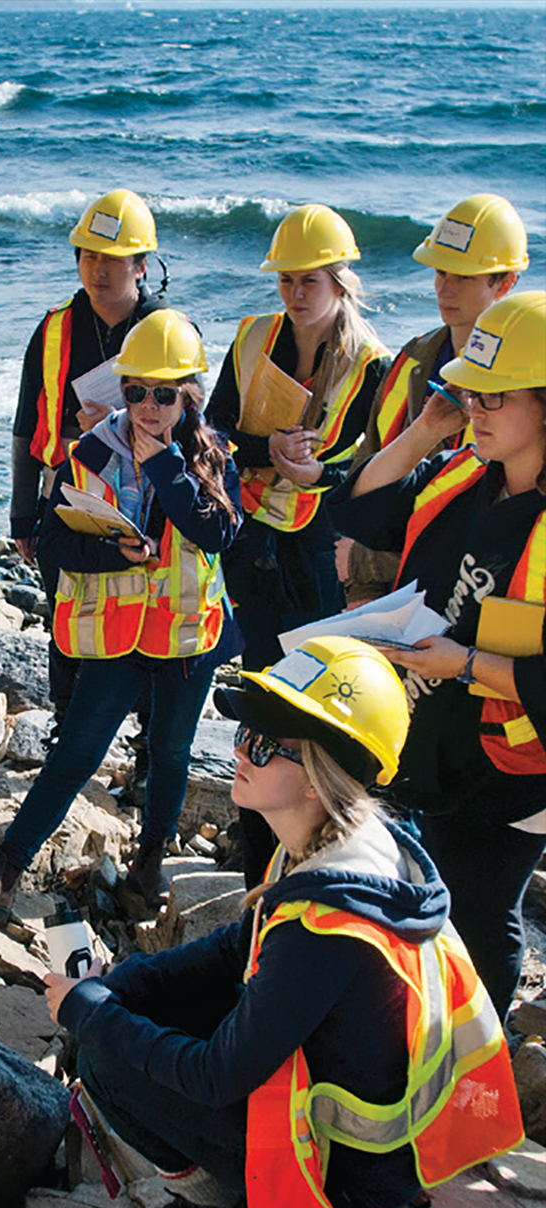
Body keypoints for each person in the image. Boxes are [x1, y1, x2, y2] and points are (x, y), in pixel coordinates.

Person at [45, 637, 521, 1208]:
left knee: (107, 1060)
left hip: (352, 1169)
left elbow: (215, 1076)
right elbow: (234, 949)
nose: (239, 752)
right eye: (244, 733)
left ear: (322, 778)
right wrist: (123, 986)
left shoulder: (328, 926)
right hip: (376, 1134)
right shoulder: (346, 845)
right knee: (133, 1014)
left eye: (266, 746)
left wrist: (91, 1017)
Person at [0, 311, 240, 919]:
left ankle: (151, 861)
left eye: (164, 395)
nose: (148, 407)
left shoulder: (211, 455)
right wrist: (111, 551)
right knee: (75, 752)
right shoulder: (91, 451)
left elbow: (217, 533)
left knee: (170, 751)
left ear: (190, 395)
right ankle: (5, 874)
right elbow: (52, 544)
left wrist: (163, 465)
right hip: (118, 635)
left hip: (185, 640)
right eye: (135, 393)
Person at [331, 291, 546, 1020]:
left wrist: (466, 664)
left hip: (515, 775)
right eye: (471, 391)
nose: (476, 408)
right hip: (433, 741)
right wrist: (427, 427)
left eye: (497, 396)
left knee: (484, 913)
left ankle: (476, 1059)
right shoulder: (462, 474)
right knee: (432, 897)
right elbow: (357, 508)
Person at [206, 204, 390, 886]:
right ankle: (258, 853)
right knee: (262, 691)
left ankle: (312, 847)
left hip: (316, 551)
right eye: (287, 279)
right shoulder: (254, 336)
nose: (297, 292)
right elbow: (214, 428)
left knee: (311, 706)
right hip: (252, 542)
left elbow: (377, 469)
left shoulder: (372, 363)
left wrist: (322, 473)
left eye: (311, 279)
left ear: (341, 281)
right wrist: (266, 448)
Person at [10, 189, 166, 728]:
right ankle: (67, 726)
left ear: (141, 265)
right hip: (68, 491)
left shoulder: (166, 330)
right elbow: (26, 426)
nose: (98, 270)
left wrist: (123, 421)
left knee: (148, 617)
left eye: (113, 258)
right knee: (68, 612)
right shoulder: (54, 327)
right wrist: (20, 513)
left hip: (146, 497)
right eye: (89, 256)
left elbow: (194, 425)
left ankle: (147, 744)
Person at [341, 193, 527, 606]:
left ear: (505, 283)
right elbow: (369, 467)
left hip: (466, 592)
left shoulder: (523, 384)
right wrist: (362, 581)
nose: (444, 287)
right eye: (441, 272)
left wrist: (362, 564)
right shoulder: (413, 359)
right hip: (387, 588)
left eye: (462, 276)